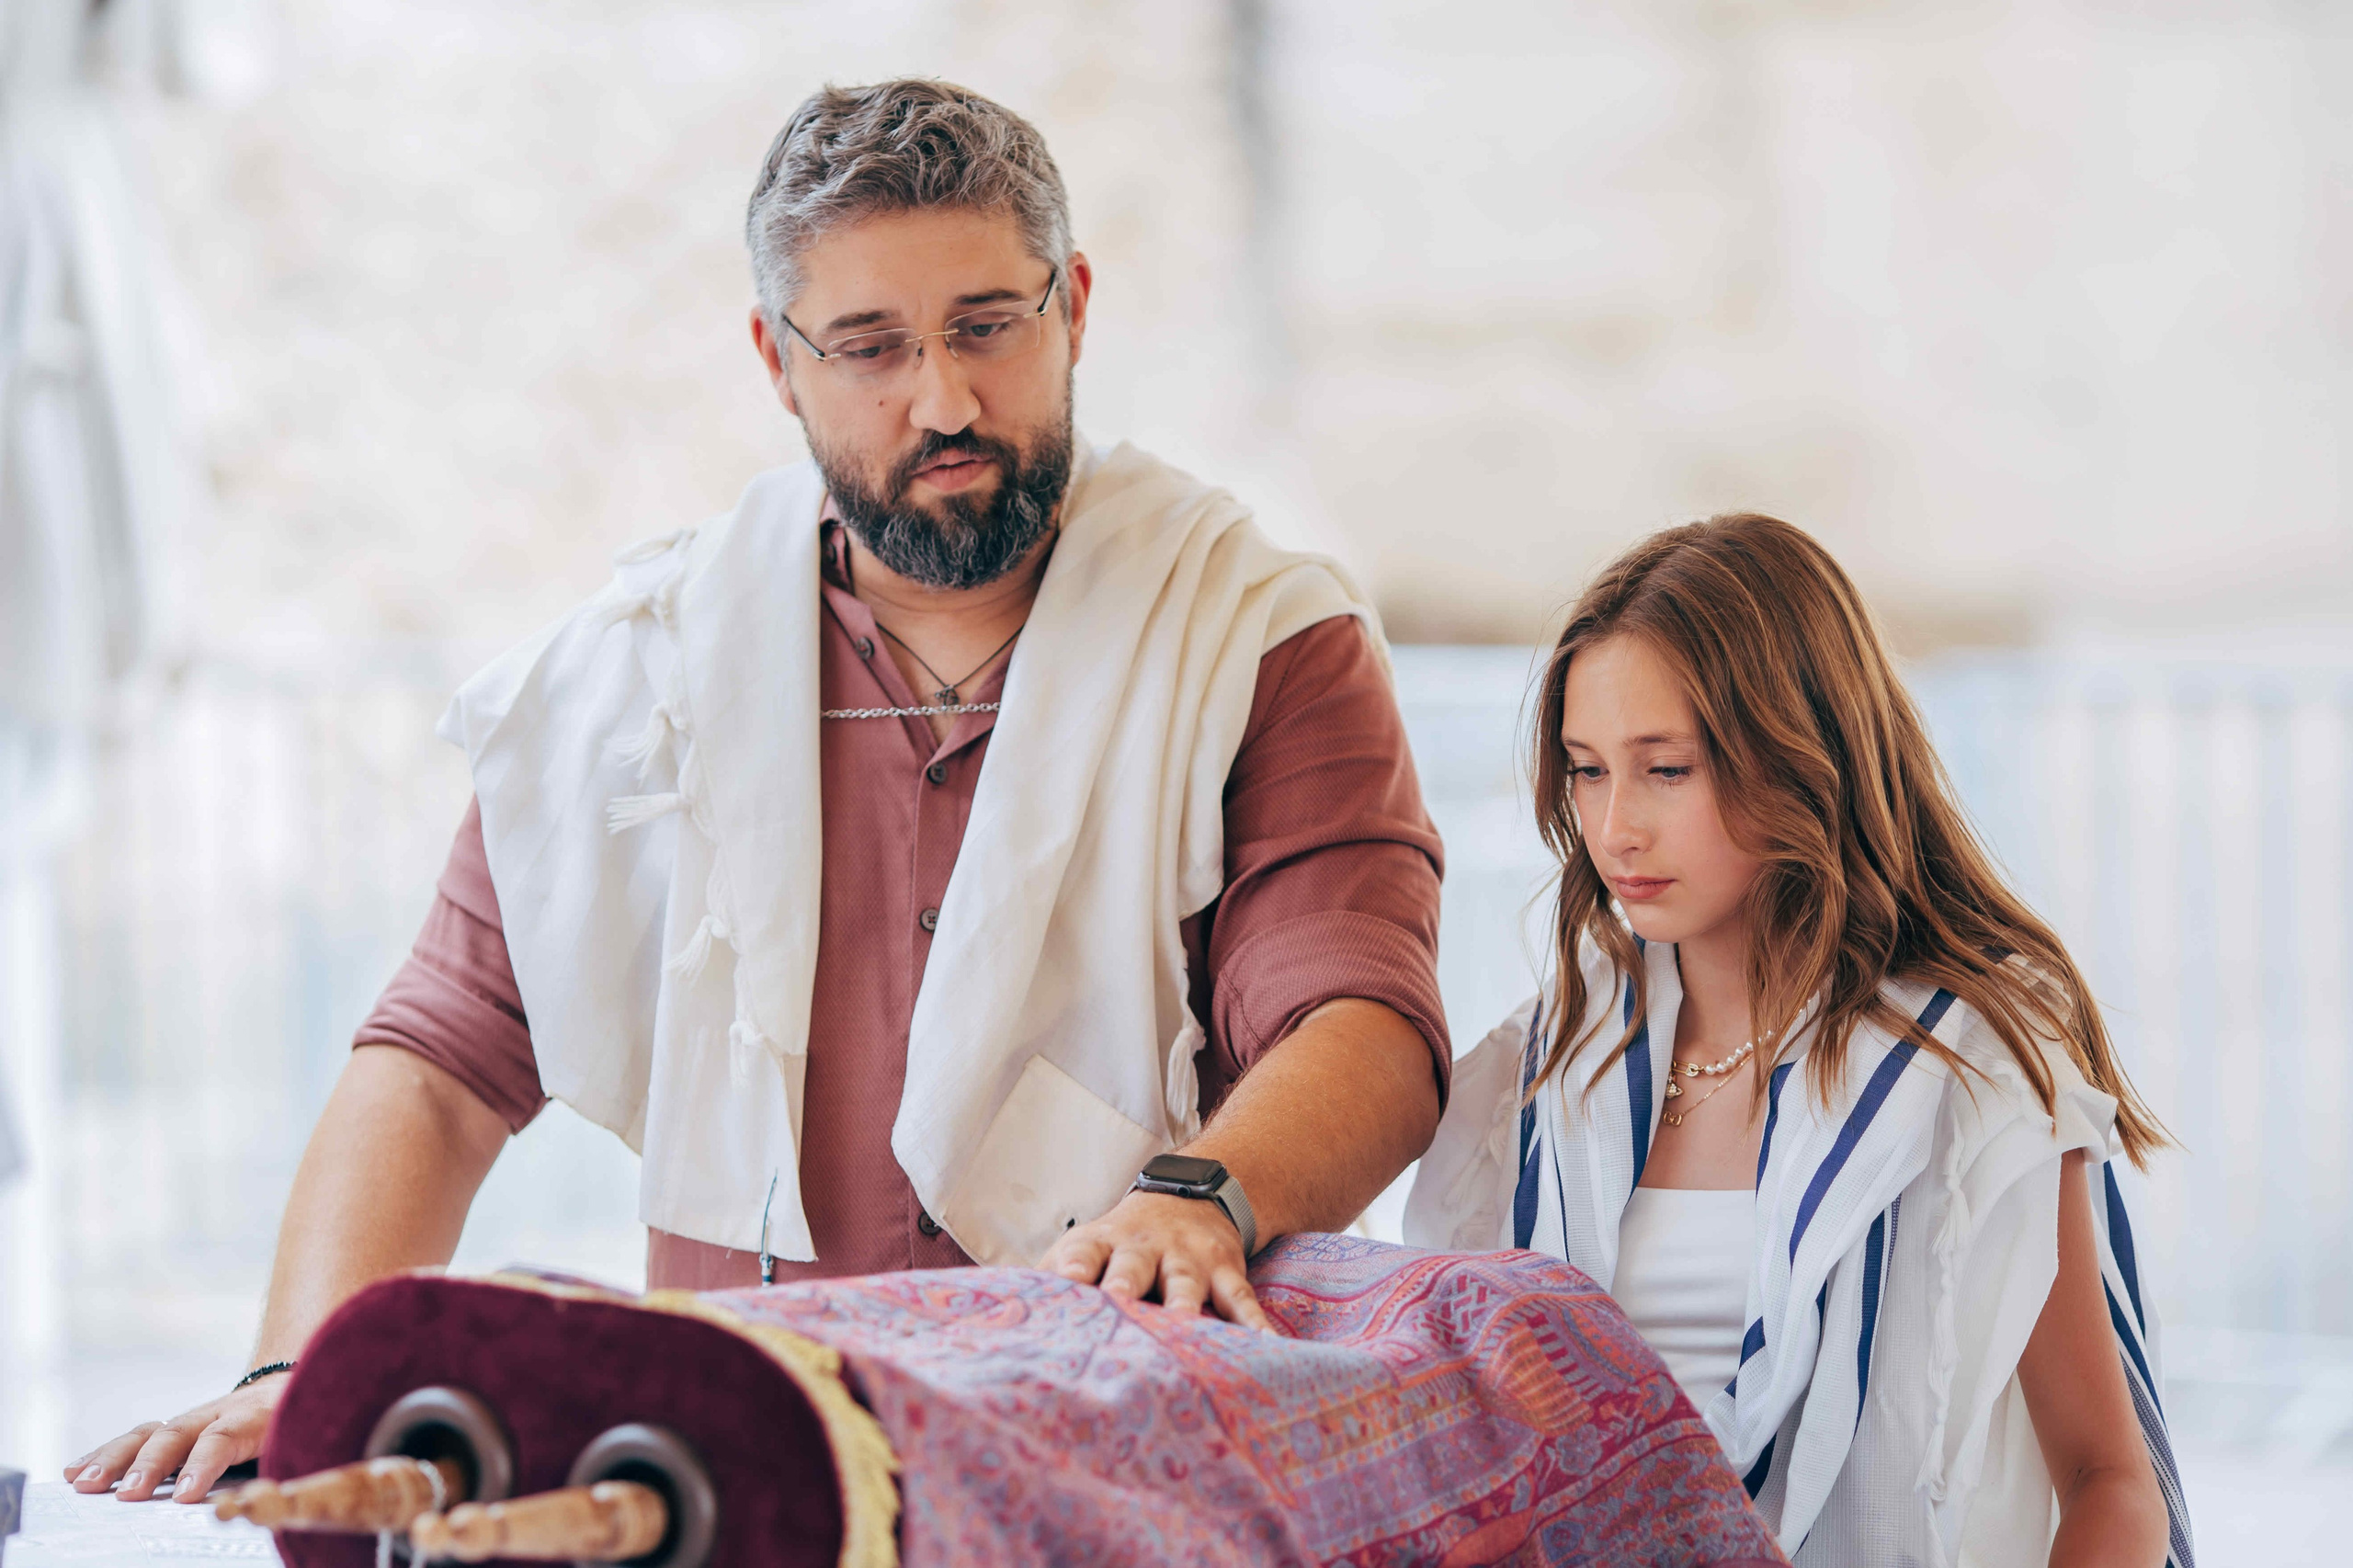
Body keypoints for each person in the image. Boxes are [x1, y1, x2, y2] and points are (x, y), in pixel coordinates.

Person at [74, 79, 1449, 1504]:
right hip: (735, 1471)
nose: (945, 400)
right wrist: (295, 1374)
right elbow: (436, 1066)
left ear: (1076, 307)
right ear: (778, 361)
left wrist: (1197, 1194)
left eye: (988, 324)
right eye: (871, 347)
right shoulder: (640, 669)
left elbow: (1361, 1024)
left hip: (1126, 1459)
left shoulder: (1256, 637)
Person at [1406, 516, 2190, 1566]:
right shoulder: (1545, 1066)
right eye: (1587, 770)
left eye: (1666, 769)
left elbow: (2109, 1480)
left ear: (1793, 755)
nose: (1615, 826)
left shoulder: (1963, 1068)